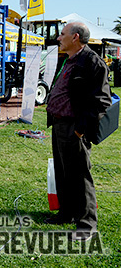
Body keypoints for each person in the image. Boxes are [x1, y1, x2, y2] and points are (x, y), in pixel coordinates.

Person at [45, 22, 111, 241]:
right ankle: (66, 213)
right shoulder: (69, 59)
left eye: (62, 34)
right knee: (63, 172)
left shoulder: (93, 63)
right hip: (59, 124)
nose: (58, 38)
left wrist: (81, 130)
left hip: (74, 127)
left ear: (75, 37)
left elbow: (102, 101)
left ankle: (86, 224)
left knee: (80, 175)